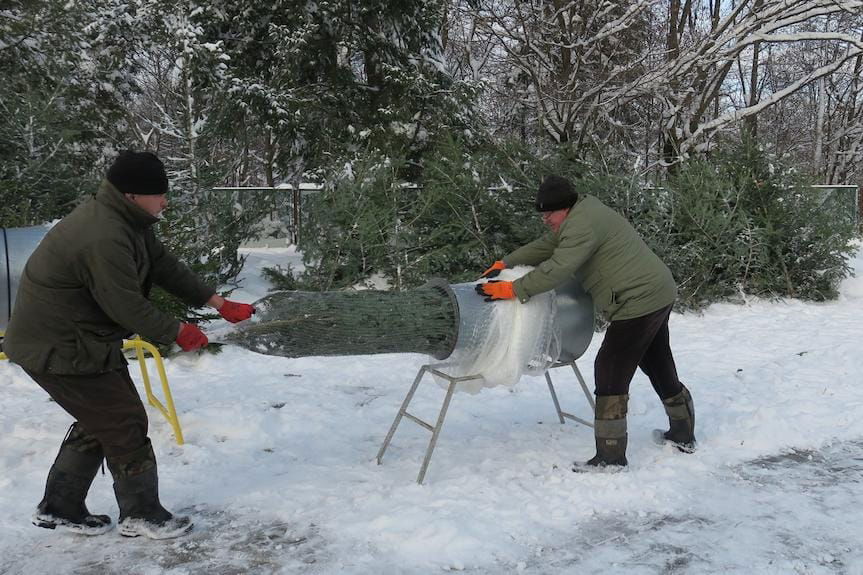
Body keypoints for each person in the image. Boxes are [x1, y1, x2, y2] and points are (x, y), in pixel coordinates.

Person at [3, 151, 256, 538]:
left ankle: (60, 507)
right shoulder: (103, 235)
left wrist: (217, 303)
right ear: (132, 194)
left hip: (81, 340)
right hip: (59, 345)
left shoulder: (128, 222)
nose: (165, 201)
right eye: (159, 194)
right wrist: (176, 331)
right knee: (123, 423)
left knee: (103, 419)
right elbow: (123, 303)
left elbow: (163, 265)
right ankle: (141, 514)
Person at [476, 175, 695, 468]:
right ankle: (682, 433)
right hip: (657, 290)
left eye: (549, 213)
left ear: (565, 208)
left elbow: (558, 267)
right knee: (655, 359)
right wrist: (506, 262)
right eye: (542, 214)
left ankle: (611, 456)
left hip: (638, 299)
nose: (545, 219)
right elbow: (547, 245)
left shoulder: (581, 225)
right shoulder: (582, 213)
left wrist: (513, 289)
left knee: (610, 368)